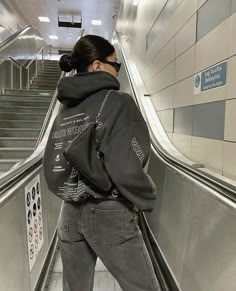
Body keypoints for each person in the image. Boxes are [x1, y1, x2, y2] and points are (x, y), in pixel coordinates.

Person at [43, 35, 159, 291]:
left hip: (69, 211)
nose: (117, 71)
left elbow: (53, 160)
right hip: (109, 210)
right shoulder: (118, 102)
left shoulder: (66, 109)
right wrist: (146, 195)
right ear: (97, 66)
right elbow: (126, 167)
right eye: (115, 64)